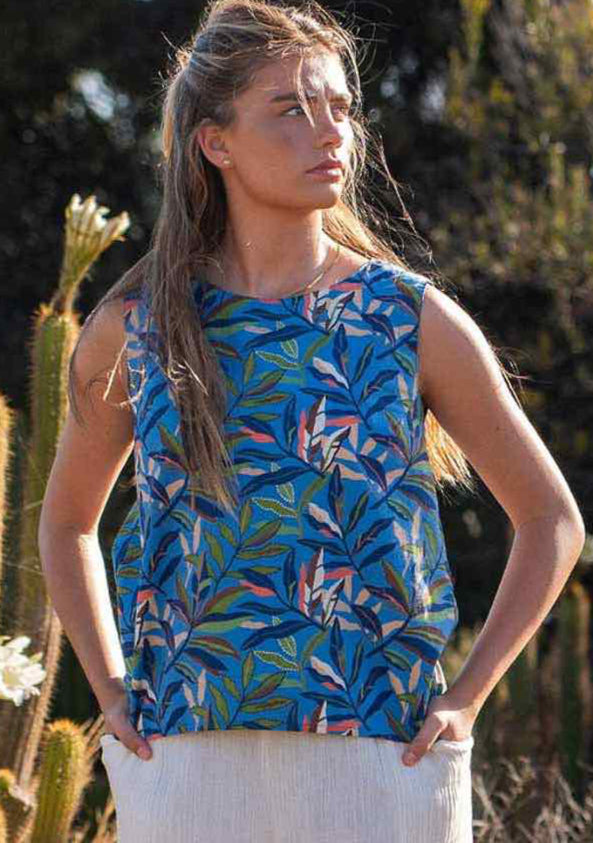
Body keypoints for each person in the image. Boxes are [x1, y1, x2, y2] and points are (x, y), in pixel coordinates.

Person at [38, 1, 586, 841]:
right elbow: (69, 520)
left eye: (337, 107)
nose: (329, 131)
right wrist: (111, 693)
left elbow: (551, 520)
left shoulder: (407, 319)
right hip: (185, 756)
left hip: (382, 754)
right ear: (213, 142)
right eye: (290, 109)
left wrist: (463, 700)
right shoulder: (136, 326)